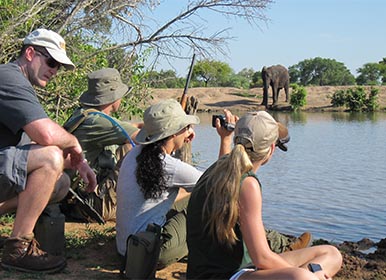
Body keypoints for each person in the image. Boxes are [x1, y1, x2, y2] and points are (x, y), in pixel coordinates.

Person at [116, 99, 311, 270]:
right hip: (153, 251)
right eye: (184, 128)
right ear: (173, 133)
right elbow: (220, 183)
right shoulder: (170, 166)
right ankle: (278, 245)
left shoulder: (137, 154)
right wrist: (225, 139)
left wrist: (181, 142)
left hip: (129, 247)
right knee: (209, 203)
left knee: (192, 197)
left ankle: (269, 241)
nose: (188, 131)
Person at [186, 111, 342, 280]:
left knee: (332, 253)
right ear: (271, 150)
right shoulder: (248, 184)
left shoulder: (222, 166)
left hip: (236, 268)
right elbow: (261, 258)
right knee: (303, 277)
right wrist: (307, 274)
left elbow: (261, 261)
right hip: (224, 275)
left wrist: (224, 139)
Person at [0, 28, 97, 273]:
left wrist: (78, 163)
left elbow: (30, 146)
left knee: (61, 181)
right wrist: (74, 144)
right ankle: (18, 248)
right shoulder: (8, 77)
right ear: (30, 53)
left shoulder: (20, 83)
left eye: (58, 66)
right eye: (51, 62)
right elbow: (45, 135)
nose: (54, 71)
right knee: (52, 158)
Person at [62, 68, 142, 222]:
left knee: (126, 147)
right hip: (89, 205)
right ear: (114, 97)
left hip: (73, 197)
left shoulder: (85, 113)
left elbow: (133, 127)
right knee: (132, 150)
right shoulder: (99, 121)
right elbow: (142, 138)